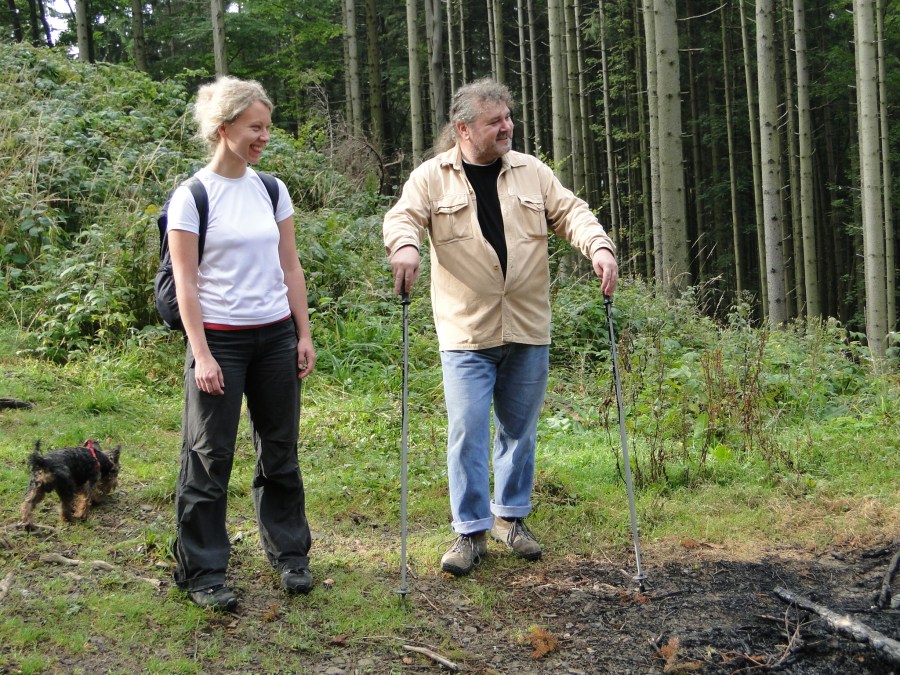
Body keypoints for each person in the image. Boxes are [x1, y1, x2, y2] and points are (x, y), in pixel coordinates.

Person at [383, 78, 618, 577]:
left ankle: (510, 520)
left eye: (508, 117)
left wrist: (598, 245)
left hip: (528, 325)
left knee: (519, 430)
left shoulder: (532, 172)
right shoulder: (431, 178)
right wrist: (405, 246)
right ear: (463, 129)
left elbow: (571, 212)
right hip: (467, 331)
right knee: (467, 430)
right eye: (496, 121)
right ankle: (469, 532)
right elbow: (403, 217)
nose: (508, 126)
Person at [167, 76, 316, 609]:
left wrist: (303, 332)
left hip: (275, 336)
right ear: (223, 128)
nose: (264, 137)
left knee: (280, 450)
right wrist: (201, 353)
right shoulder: (192, 197)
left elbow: (290, 265)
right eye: (255, 127)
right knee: (210, 456)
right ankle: (203, 570)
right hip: (220, 344)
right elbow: (185, 282)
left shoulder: (272, 189)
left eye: (267, 127)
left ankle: (290, 554)